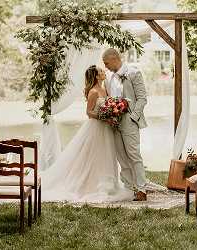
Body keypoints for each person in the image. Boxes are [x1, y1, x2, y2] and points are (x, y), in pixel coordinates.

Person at [41, 65, 132, 203]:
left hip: (106, 128)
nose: (103, 72)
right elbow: (89, 112)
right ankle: (90, 185)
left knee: (106, 155)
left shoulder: (104, 89)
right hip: (96, 128)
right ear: (96, 76)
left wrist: (113, 114)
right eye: (101, 71)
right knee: (94, 155)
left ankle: (108, 184)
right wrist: (104, 117)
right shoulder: (93, 92)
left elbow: (108, 105)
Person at [103, 48, 149, 201]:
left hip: (129, 120)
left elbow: (142, 98)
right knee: (121, 156)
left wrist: (133, 117)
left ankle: (142, 189)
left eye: (106, 63)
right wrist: (110, 114)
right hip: (115, 121)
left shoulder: (133, 73)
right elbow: (110, 98)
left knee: (133, 154)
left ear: (114, 58)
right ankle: (129, 188)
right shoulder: (109, 78)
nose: (105, 66)